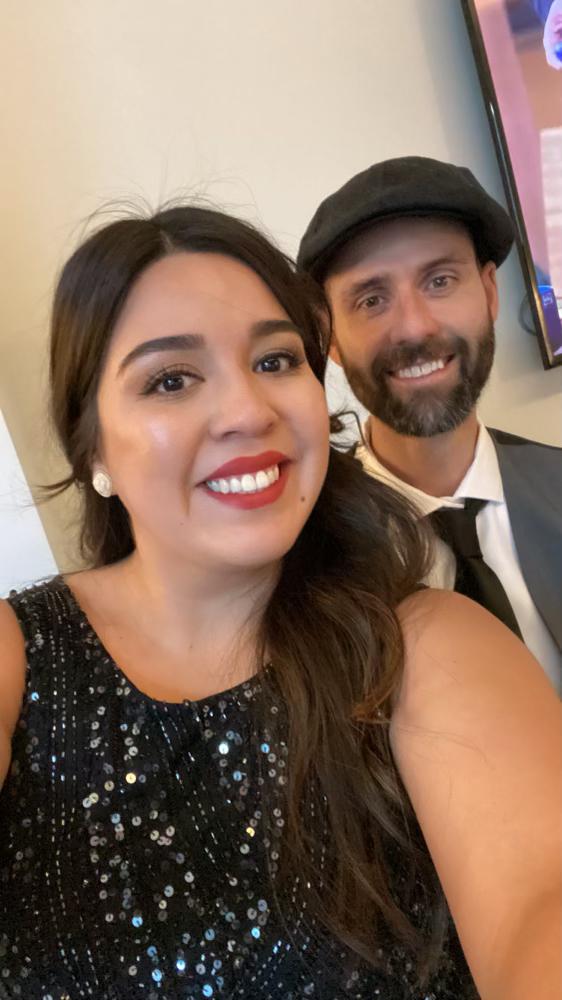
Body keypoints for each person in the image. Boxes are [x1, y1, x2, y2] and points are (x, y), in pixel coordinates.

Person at [0, 206, 559, 1000]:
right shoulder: (19, 658)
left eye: (275, 360)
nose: (248, 412)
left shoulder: (424, 647)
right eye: (170, 379)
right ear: (93, 446)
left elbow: (539, 900)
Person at [298, 155, 562, 691]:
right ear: (330, 336)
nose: (414, 328)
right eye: (372, 299)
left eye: (440, 281)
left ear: (489, 292)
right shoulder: (305, 550)